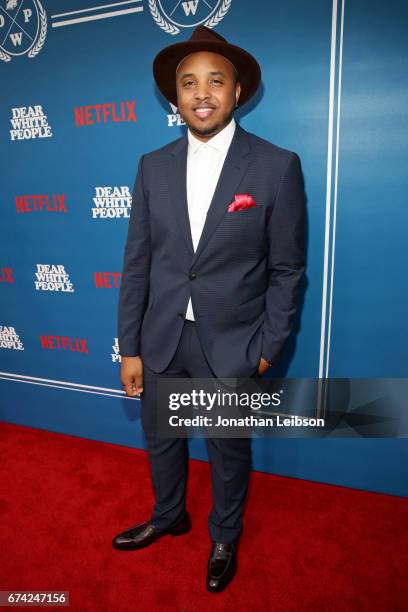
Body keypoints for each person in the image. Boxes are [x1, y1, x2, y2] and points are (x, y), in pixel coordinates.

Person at [112, 25, 306, 593]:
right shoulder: (152, 166)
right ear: (174, 97)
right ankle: (169, 513)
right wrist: (131, 346)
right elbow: (138, 263)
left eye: (215, 81)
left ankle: (225, 533)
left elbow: (287, 269)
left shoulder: (276, 166)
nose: (202, 93)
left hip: (233, 342)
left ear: (237, 91)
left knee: (227, 448)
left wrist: (268, 348)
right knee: (161, 438)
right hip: (162, 336)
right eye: (189, 83)